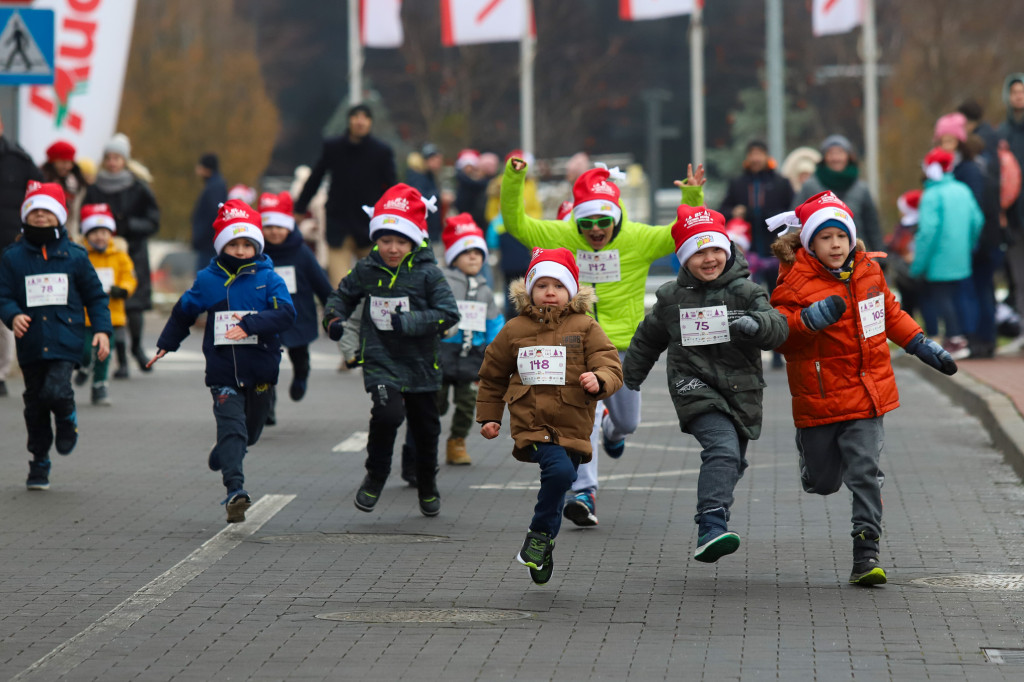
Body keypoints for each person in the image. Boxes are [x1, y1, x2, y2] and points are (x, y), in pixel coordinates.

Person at [501, 155, 704, 527]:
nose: (595, 230)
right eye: (587, 223)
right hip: (574, 344)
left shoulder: (638, 239)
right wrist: (514, 180)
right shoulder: (561, 236)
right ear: (575, 220)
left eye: (602, 222)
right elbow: (516, 223)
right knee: (583, 420)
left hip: (625, 346)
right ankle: (584, 491)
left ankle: (614, 431)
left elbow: (682, 231)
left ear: (616, 217)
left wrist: (692, 195)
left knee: (627, 422)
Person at [769, 190, 958, 586]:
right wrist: (809, 320)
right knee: (823, 482)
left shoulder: (868, 270)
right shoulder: (794, 281)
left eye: (842, 236)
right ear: (810, 242)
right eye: (825, 237)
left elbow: (889, 311)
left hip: (868, 393)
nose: (836, 245)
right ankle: (813, 466)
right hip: (820, 396)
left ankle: (866, 551)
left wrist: (921, 343)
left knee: (865, 472)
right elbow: (781, 335)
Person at [623, 206, 787, 562]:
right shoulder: (671, 297)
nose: (709, 258)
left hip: (741, 389)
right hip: (692, 384)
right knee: (723, 450)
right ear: (684, 258)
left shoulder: (747, 292)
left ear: (726, 251)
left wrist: (757, 325)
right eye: (698, 251)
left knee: (732, 461)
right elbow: (647, 339)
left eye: (715, 249)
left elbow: (776, 326)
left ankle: (716, 516)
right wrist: (627, 379)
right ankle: (711, 525)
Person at [476, 247, 623, 584]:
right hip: (533, 423)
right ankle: (539, 534)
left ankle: (543, 546)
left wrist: (598, 379)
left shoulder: (585, 327)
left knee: (560, 481)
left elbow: (610, 364)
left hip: (574, 423)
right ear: (529, 290)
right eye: (541, 285)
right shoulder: (514, 329)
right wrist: (489, 417)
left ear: (570, 291)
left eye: (557, 286)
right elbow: (493, 374)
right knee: (558, 474)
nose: (550, 293)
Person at [148, 200, 295, 523]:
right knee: (232, 427)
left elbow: (286, 313)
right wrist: (166, 344)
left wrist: (250, 324)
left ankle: (224, 451)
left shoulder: (269, 278)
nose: (241, 250)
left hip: (260, 371)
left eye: (247, 244)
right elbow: (184, 310)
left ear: (256, 245)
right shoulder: (208, 280)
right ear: (221, 245)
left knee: (249, 434)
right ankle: (235, 491)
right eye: (233, 243)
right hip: (222, 372)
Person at [322, 184, 459, 517]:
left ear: (414, 240)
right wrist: (333, 320)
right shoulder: (367, 270)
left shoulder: (428, 274)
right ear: (376, 240)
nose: (393, 248)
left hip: (422, 364)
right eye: (385, 241)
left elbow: (449, 314)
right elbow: (341, 297)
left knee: (426, 429)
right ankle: (376, 475)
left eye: (400, 241)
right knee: (387, 416)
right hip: (381, 360)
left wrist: (409, 322)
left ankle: (427, 485)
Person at [0, 182, 111, 490]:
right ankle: (39, 462)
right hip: (32, 341)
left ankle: (66, 418)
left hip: (66, 339)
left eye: (47, 211)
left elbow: (96, 297)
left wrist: (102, 330)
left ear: (59, 216)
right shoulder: (13, 257)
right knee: (34, 404)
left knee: (56, 390)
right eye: (34, 210)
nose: (40, 216)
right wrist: (12, 314)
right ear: (25, 215)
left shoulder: (74, 255)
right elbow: (3, 294)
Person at [403, 213, 504, 473]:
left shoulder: (484, 289)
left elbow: (494, 322)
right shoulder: (442, 281)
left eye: (477, 252)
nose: (473, 257)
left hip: (473, 355)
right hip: (442, 352)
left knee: (469, 402)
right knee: (435, 403)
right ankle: (425, 444)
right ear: (453, 256)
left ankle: (457, 441)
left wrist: (495, 351)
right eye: (466, 251)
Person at [295, 104, 396, 287]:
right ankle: (339, 316)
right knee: (339, 286)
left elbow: (392, 187)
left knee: (377, 284)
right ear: (349, 120)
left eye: (365, 117)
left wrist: (395, 215)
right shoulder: (333, 147)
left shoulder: (381, 151)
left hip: (370, 227)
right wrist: (300, 208)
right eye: (356, 116)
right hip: (338, 225)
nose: (360, 121)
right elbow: (315, 178)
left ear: (370, 122)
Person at [84, 133, 160, 377]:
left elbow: (153, 221)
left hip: (133, 251)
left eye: (117, 157)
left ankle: (137, 349)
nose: (113, 162)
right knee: (108, 305)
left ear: (125, 160)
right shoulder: (95, 188)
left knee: (134, 306)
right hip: (101, 253)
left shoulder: (138, 187)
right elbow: (85, 216)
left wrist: (129, 225)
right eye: (109, 157)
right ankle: (120, 360)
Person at [258, 190, 332, 423]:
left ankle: (302, 375)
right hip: (267, 317)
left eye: (279, 226)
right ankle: (267, 406)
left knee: (299, 354)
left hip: (297, 314)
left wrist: (334, 307)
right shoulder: (256, 253)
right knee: (265, 364)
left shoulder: (301, 252)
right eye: (268, 227)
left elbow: (320, 282)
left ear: (289, 226)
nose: (274, 232)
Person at [912, 148, 984, 357]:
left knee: (942, 298)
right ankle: (965, 337)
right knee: (960, 296)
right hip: (961, 255)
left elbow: (927, 232)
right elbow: (977, 221)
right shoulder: (962, 189)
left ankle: (955, 340)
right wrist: (968, 245)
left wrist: (918, 265)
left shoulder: (932, 195)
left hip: (938, 258)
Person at [74, 203, 136, 406]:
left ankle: (100, 385)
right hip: (84, 314)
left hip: (111, 313)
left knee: (103, 352)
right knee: (83, 349)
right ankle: (83, 365)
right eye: (94, 232)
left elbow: (130, 278)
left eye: (104, 232)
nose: (100, 237)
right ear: (86, 234)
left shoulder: (120, 256)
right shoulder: (80, 255)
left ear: (111, 234)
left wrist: (123, 289)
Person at [0, 112, 44, 397]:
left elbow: (41, 199)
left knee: (4, 309)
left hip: (8, 247)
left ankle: (1, 372)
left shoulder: (20, 160)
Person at [793, 135, 883, 251]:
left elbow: (872, 226)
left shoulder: (861, 189)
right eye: (830, 153)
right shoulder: (810, 187)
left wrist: (880, 254)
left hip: (858, 257)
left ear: (848, 156)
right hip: (819, 257)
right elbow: (796, 221)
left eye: (840, 153)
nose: (835, 158)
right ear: (824, 157)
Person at [719, 140, 795, 274]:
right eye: (752, 154)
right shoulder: (738, 183)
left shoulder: (781, 183)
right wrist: (734, 212)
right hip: (747, 253)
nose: (756, 159)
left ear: (767, 157)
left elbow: (792, 213)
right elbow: (722, 212)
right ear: (747, 158)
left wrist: (757, 214)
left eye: (759, 154)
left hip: (777, 250)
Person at [41, 140, 88, 240]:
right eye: (63, 162)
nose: (67, 166)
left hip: (70, 234)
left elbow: (75, 216)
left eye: (70, 162)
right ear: (53, 161)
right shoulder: (42, 182)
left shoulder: (78, 184)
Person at [191, 153, 227, 272]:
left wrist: (200, 237)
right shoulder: (215, 185)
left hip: (209, 245)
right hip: (209, 243)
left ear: (206, 168)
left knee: (205, 279)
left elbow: (213, 214)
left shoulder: (214, 187)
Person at [405, 143, 443, 242]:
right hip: (424, 227)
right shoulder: (418, 176)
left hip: (430, 227)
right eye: (435, 159)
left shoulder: (429, 174)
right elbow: (419, 197)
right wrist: (439, 195)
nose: (439, 163)